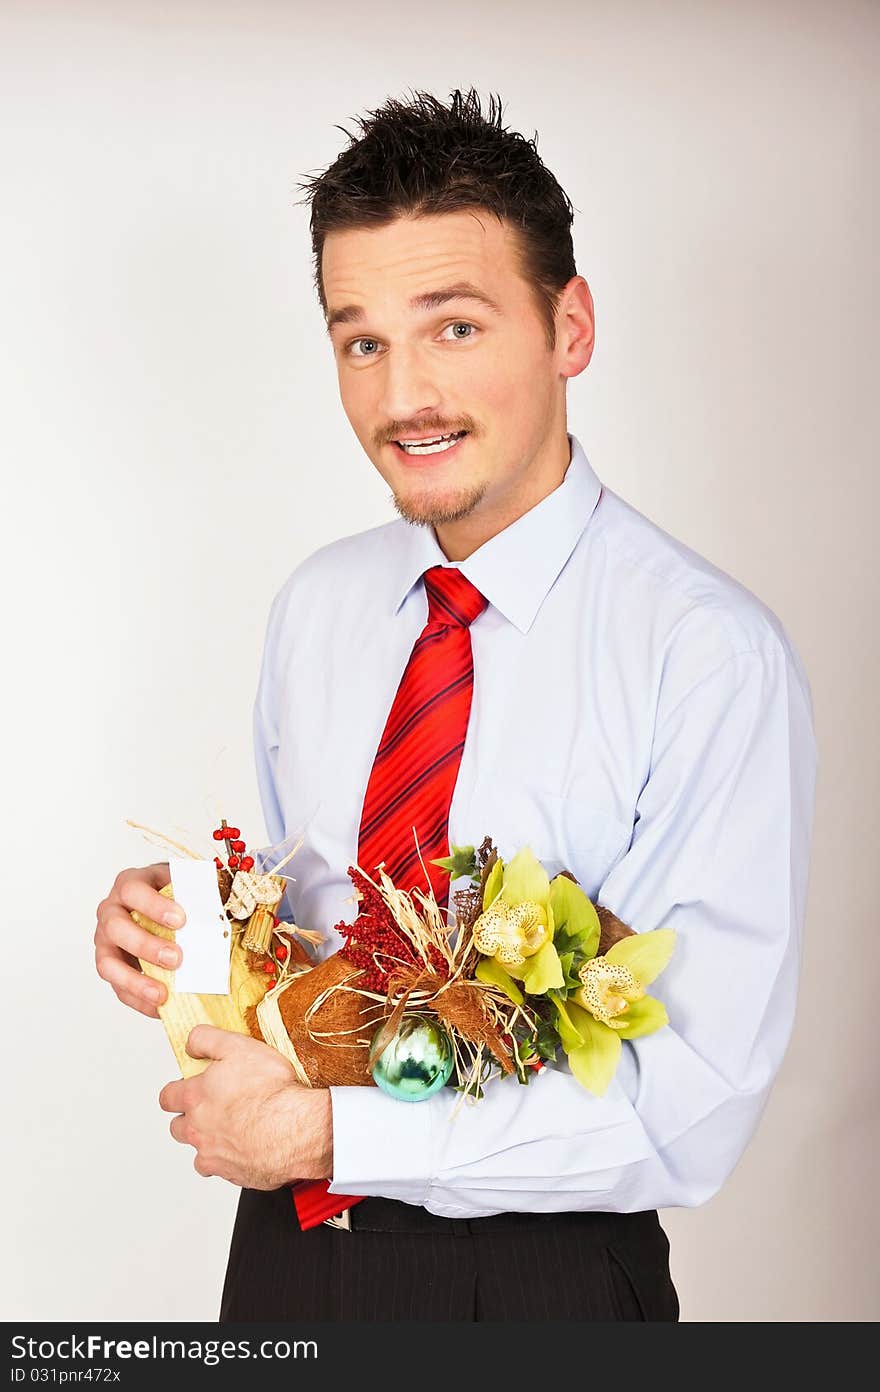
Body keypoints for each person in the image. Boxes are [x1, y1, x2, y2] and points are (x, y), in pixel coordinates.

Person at [93, 88, 817, 1322]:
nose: (402, 397)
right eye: (361, 341)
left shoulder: (705, 655)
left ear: (568, 327)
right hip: (283, 1254)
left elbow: (684, 1105)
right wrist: (187, 938)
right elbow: (307, 938)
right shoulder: (317, 608)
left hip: (537, 1283)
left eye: (457, 328)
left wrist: (339, 1135)